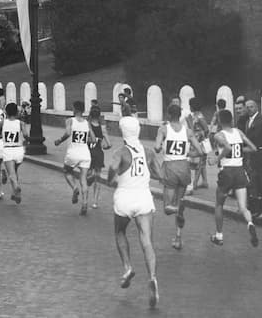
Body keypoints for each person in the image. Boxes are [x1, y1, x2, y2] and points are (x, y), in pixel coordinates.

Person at [108, 112, 163, 308]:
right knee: (146, 239)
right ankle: (153, 277)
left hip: (124, 196)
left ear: (123, 132)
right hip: (143, 197)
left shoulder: (120, 152)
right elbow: (159, 174)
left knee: (120, 231)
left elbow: (113, 169)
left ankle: (127, 267)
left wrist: (110, 178)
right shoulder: (148, 152)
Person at [154, 103, 203, 251]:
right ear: (180, 115)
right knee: (178, 202)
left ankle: (178, 209)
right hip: (184, 168)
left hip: (170, 168)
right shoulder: (187, 131)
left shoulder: (163, 129)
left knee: (167, 207)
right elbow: (200, 151)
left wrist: (161, 145)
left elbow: (156, 148)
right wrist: (188, 154)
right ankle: (178, 237)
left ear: (168, 115)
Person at [208, 109, 259, 248]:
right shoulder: (239, 132)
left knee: (219, 204)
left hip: (227, 172)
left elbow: (227, 148)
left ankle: (219, 235)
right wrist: (241, 151)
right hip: (240, 171)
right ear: (231, 120)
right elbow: (253, 148)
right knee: (243, 207)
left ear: (219, 121)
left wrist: (217, 159)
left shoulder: (219, 135)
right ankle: (250, 223)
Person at [55, 101, 92, 215]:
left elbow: (67, 133)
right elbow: (94, 139)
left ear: (75, 109)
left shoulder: (70, 120)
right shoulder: (87, 123)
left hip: (73, 152)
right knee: (83, 179)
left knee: (66, 171)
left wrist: (59, 140)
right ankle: (85, 203)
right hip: (85, 153)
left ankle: (74, 187)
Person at [0, 103, 29, 204]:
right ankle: (14, 193)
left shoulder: (2, 123)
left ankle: (16, 187)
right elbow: (25, 135)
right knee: (15, 171)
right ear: (17, 112)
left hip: (8, 150)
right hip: (19, 150)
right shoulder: (21, 123)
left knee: (11, 174)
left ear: (6, 112)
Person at [86, 105, 111, 209]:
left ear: (90, 115)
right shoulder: (103, 128)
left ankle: (90, 177)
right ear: (99, 115)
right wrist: (104, 146)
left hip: (89, 152)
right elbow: (109, 144)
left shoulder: (87, 126)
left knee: (87, 175)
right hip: (99, 152)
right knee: (98, 177)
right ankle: (95, 201)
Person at [186, 97, 210, 193]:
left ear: (192, 106)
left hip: (200, 142)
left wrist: (200, 136)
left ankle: (194, 184)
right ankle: (205, 181)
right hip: (196, 141)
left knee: (198, 164)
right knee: (201, 163)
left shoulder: (199, 117)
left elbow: (206, 129)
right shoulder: (195, 116)